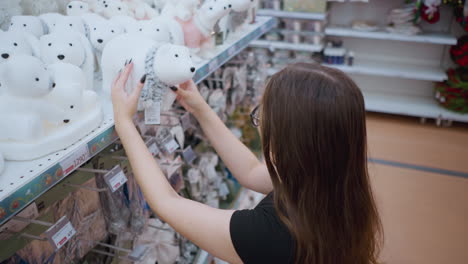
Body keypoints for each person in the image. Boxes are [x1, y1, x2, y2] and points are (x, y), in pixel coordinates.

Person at [111, 62, 383, 264]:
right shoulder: (334, 181)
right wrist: (200, 109)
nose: (258, 125)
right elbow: (251, 172)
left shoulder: (270, 234)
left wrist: (124, 122)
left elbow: (167, 203)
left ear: (289, 141)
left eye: (261, 118)